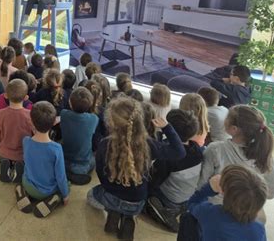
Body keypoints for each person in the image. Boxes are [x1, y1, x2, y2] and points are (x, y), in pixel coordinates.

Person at [87, 97, 185, 241]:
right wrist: (167, 127)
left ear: (111, 123)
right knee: (127, 202)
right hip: (137, 202)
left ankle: (114, 212)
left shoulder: (104, 144)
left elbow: (101, 175)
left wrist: (109, 188)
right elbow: (179, 152)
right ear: (139, 121)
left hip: (111, 197)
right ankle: (128, 217)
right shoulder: (149, 145)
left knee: (91, 195)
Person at [198, 105, 274, 214]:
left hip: (216, 210)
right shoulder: (264, 153)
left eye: (226, 118)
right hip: (247, 213)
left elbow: (201, 185)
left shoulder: (215, 149)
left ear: (234, 129)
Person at [148, 109, 202, 232]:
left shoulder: (169, 157)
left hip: (170, 199)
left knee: (142, 190)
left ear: (171, 130)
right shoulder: (197, 149)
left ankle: (163, 212)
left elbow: (155, 180)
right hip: (188, 198)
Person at [180, 165, 267, 241]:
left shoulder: (210, 213)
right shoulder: (259, 229)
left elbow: (193, 203)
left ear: (222, 191)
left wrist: (209, 188)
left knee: (187, 217)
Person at [16, 101, 70, 218]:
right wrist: (65, 195)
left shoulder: (26, 141)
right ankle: (55, 198)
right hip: (47, 191)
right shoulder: (56, 149)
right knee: (67, 184)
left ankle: (22, 191)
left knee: (23, 175)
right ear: (54, 123)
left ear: (31, 122)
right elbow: (60, 176)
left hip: (28, 185)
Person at [0, 79, 34, 183]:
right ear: (26, 98)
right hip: (22, 153)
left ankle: (6, 163)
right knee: (27, 161)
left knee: (2, 155)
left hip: (4, 151)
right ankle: (18, 167)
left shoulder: (0, 114)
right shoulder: (29, 115)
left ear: (6, 95)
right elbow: (33, 135)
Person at [60, 87, 98, 185]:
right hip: (83, 164)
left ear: (70, 103)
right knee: (94, 159)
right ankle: (75, 173)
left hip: (64, 159)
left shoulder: (63, 114)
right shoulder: (94, 119)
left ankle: (66, 173)